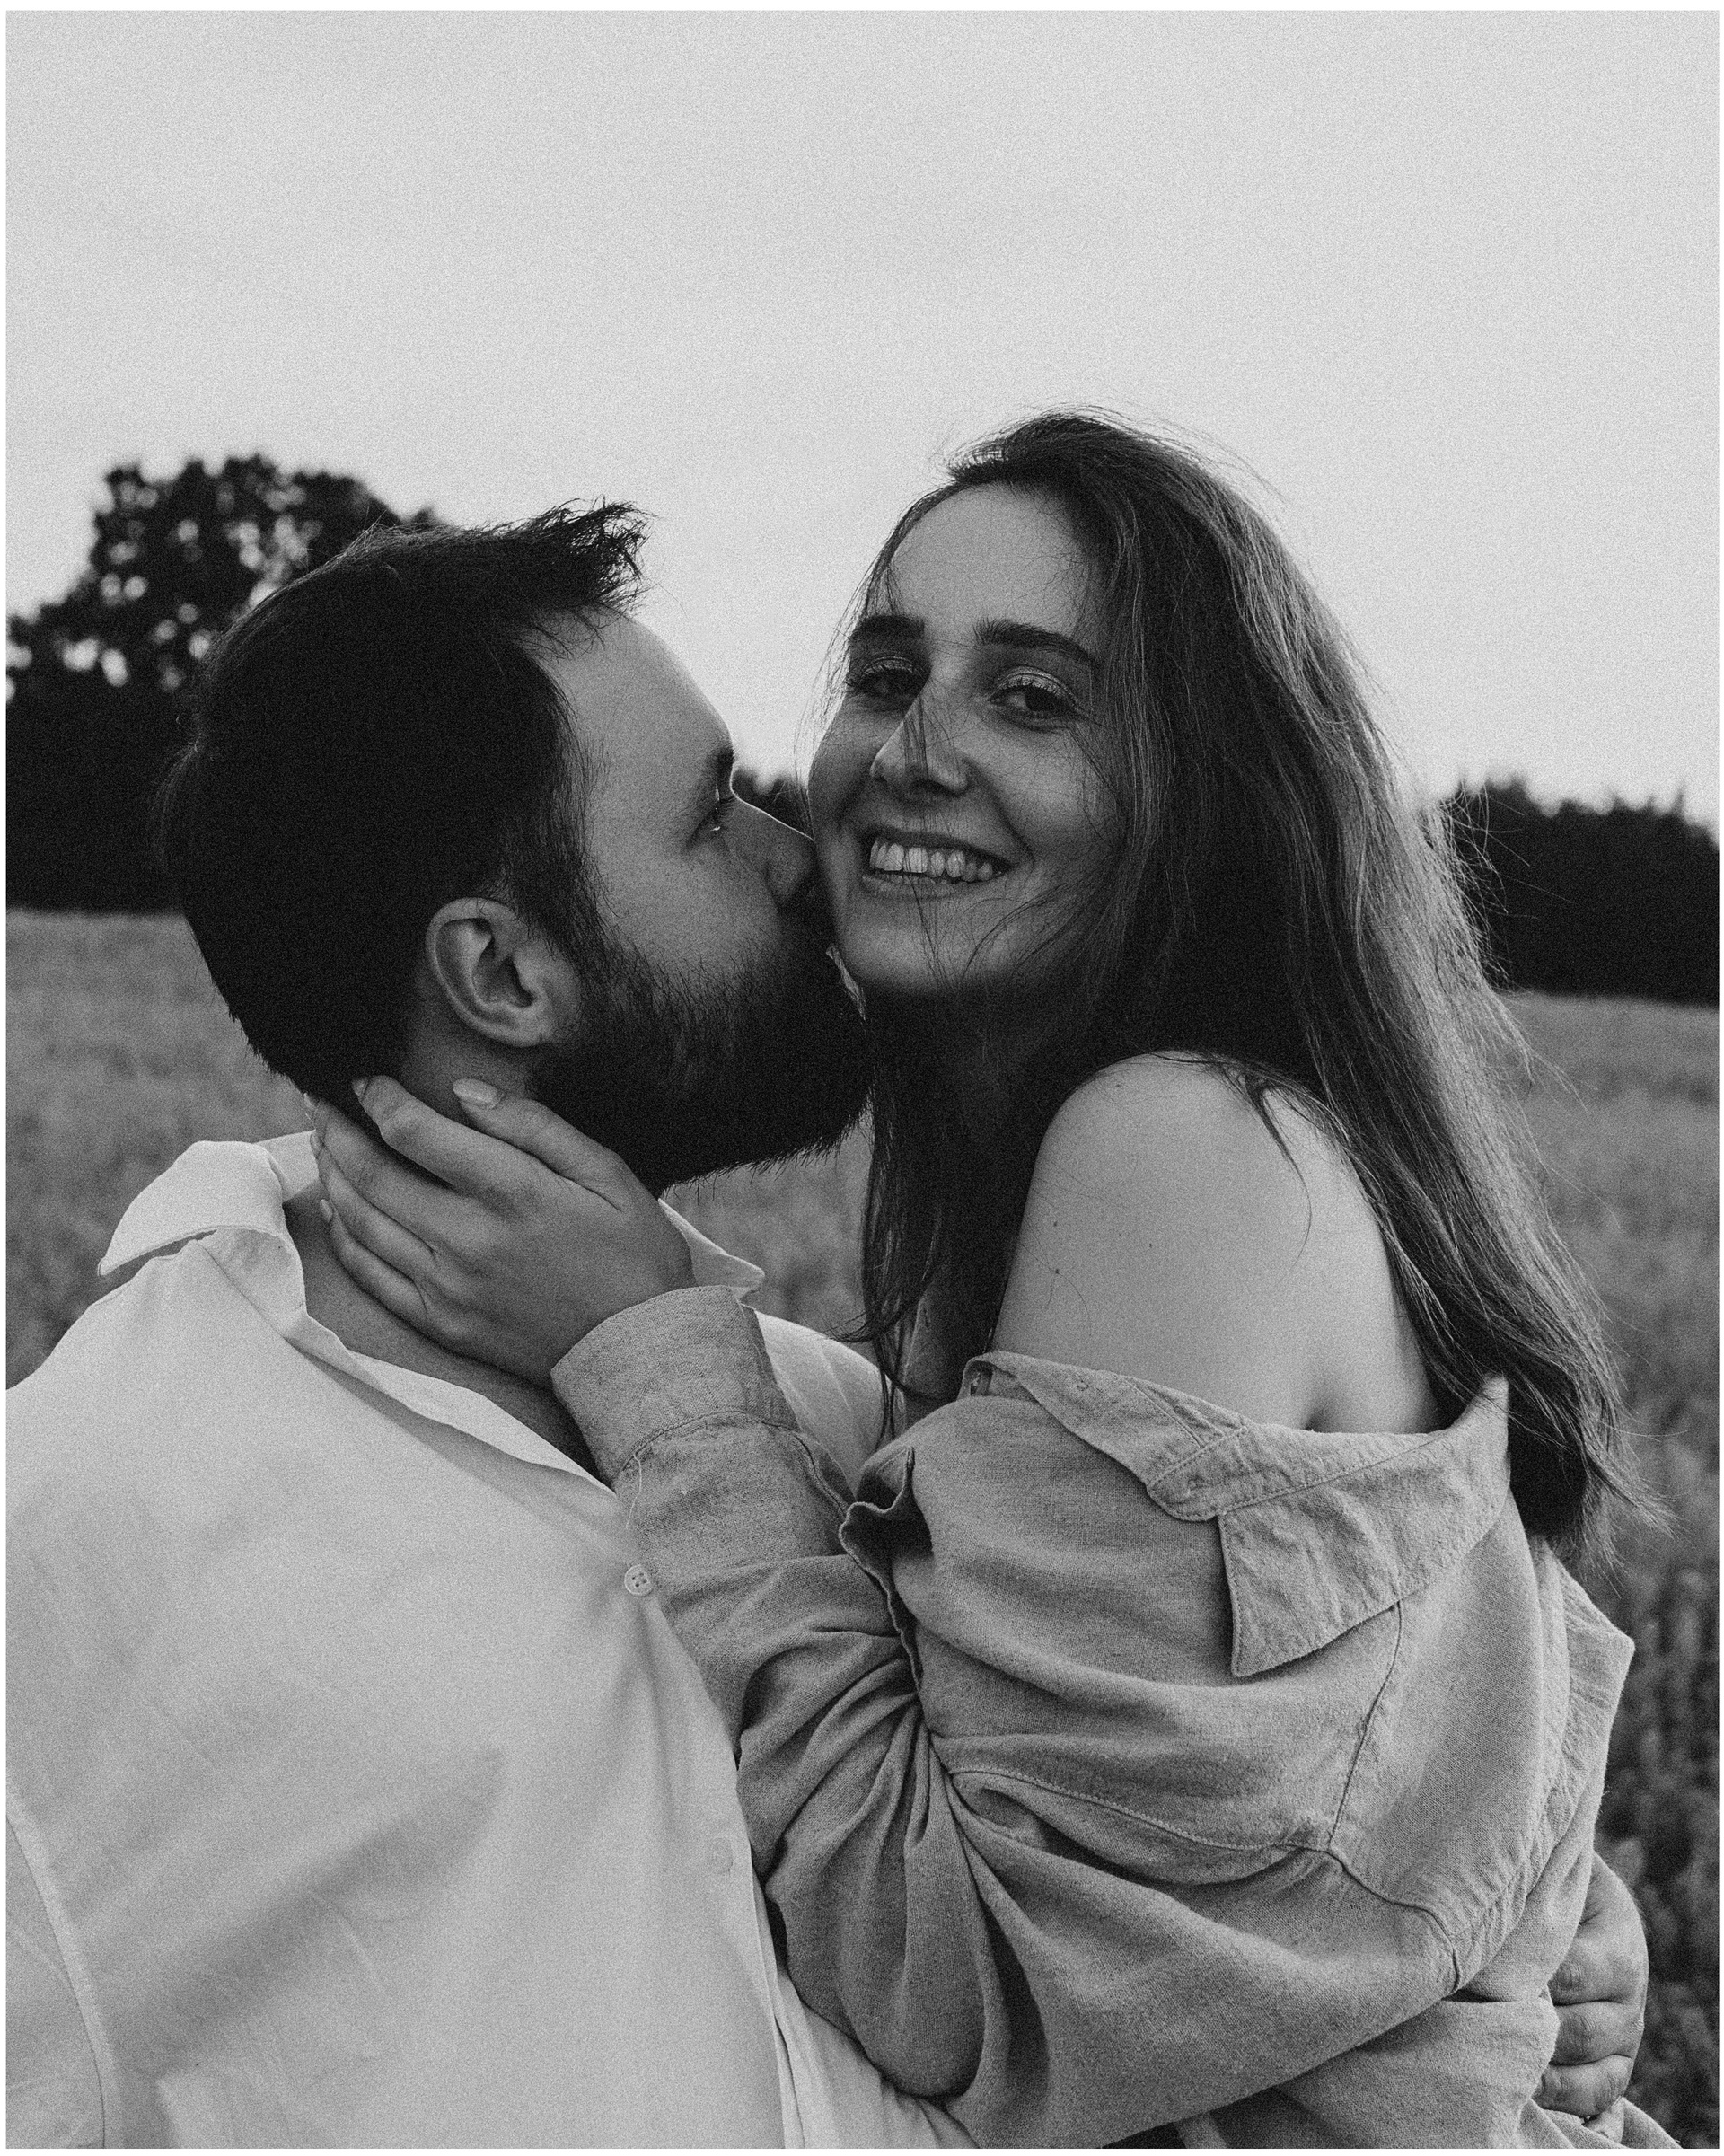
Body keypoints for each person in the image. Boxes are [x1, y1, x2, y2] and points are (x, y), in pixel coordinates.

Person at [311, 416, 1670, 2147]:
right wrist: (1534, 1895)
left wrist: (645, 1349)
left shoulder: (1173, 1148)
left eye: (1032, 698)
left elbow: (967, 1985)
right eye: (889, 674)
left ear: (1203, 797)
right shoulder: (1082, 1176)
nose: (909, 752)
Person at [6, 507, 971, 2147]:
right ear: (503, 974)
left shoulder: (839, 1430)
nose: (798, 857)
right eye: (709, 816)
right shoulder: (78, 1522)